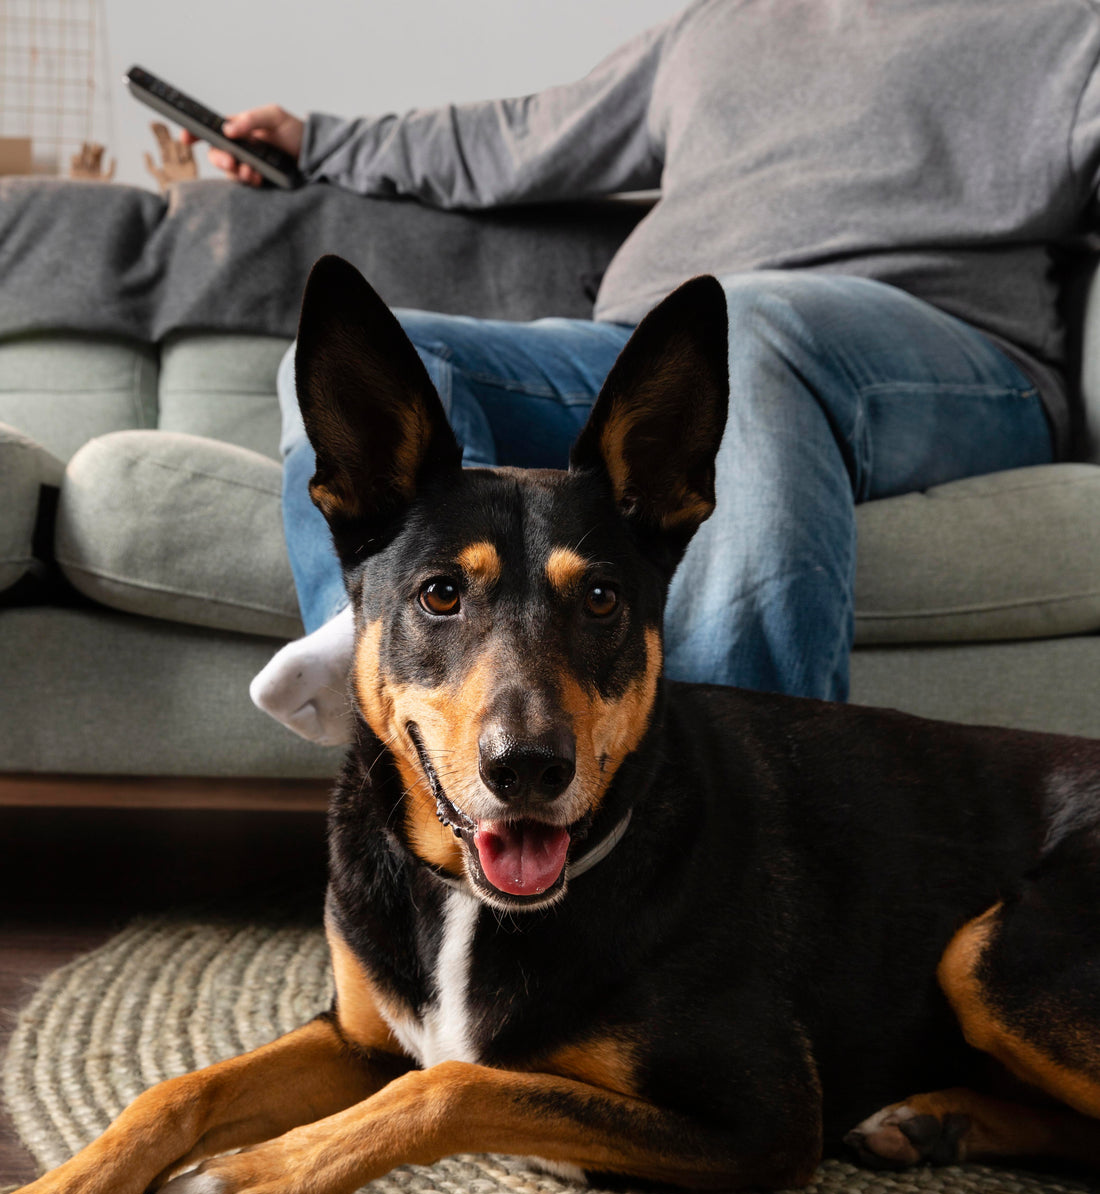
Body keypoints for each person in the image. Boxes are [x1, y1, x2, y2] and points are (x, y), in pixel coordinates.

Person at [186, 0, 1100, 748]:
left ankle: (750, 804)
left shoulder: (1067, 30)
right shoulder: (719, 27)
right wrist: (322, 143)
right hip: (656, 358)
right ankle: (378, 659)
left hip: (933, 354)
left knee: (753, 325)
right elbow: (521, 137)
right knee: (398, 349)